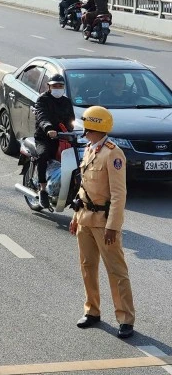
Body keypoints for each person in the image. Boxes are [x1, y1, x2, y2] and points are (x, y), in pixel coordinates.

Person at [69, 106, 135, 339]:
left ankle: (125, 318)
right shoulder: (90, 148)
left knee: (116, 271)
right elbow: (83, 186)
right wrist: (76, 217)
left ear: (95, 127)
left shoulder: (113, 154)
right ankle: (92, 311)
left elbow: (119, 195)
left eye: (86, 127)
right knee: (87, 267)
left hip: (104, 222)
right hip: (85, 218)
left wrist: (113, 227)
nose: (83, 131)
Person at [34, 74, 75, 208]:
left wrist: (71, 130)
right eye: (55, 86)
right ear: (49, 86)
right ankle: (43, 189)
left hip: (63, 138)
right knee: (43, 155)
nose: (58, 88)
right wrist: (49, 129)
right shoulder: (42, 99)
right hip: (44, 137)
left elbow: (71, 120)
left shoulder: (67, 102)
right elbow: (42, 116)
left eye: (60, 86)